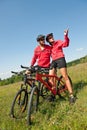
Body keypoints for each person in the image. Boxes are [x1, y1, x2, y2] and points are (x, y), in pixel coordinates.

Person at [46, 29, 76, 104]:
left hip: (60, 59)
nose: (51, 38)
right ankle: (53, 94)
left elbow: (66, 44)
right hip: (53, 61)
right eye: (49, 38)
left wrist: (65, 35)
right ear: (48, 41)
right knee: (51, 78)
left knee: (65, 76)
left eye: (51, 36)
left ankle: (71, 96)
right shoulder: (49, 48)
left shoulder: (58, 42)